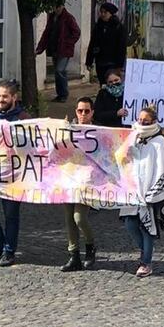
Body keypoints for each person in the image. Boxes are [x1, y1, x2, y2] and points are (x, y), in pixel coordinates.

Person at [116, 106, 164, 278]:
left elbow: (163, 167)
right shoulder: (133, 137)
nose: (142, 123)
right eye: (140, 120)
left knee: (146, 227)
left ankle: (146, 262)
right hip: (133, 190)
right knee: (130, 224)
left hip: (149, 192)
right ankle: (145, 251)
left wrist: (155, 193)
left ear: (153, 122)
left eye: (146, 121)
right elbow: (123, 159)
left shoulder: (159, 143)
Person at [0, 81, 30, 267]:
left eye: (5, 96)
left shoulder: (24, 119)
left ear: (14, 98)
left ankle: (9, 251)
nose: (1, 100)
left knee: (11, 215)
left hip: (13, 178)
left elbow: (33, 147)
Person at [60, 98, 98, 272]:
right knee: (69, 219)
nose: (83, 114)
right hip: (68, 179)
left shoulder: (98, 132)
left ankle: (90, 246)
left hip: (87, 182)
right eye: (80, 111)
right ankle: (73, 255)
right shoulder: (67, 130)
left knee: (79, 218)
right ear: (75, 111)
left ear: (92, 113)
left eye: (87, 111)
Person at [35, 4, 80, 103]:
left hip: (64, 50)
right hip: (55, 48)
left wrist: (67, 43)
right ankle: (60, 94)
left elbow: (76, 32)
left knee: (60, 70)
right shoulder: (52, 17)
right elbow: (46, 33)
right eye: (55, 7)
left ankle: (64, 94)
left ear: (62, 6)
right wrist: (40, 48)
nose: (56, 9)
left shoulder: (68, 18)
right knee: (58, 72)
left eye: (58, 7)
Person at [85, 3, 127, 85]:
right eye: (101, 12)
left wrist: (120, 65)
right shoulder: (98, 27)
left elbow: (121, 47)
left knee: (112, 83)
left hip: (113, 62)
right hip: (100, 61)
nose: (103, 14)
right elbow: (93, 44)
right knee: (103, 84)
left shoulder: (118, 27)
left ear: (111, 14)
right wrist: (89, 61)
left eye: (105, 12)